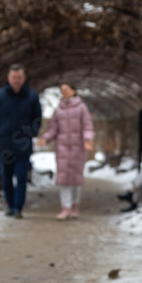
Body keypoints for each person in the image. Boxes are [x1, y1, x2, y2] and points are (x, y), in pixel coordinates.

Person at [0, 64, 42, 218]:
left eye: (19, 77)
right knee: (6, 177)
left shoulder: (32, 96)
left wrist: (32, 132)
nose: (16, 80)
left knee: (21, 177)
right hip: (5, 144)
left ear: (23, 78)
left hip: (23, 145)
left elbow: (37, 117)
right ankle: (10, 205)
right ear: (8, 78)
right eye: (14, 77)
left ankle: (18, 207)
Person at [38, 84, 94, 220]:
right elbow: (53, 129)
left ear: (73, 91)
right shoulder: (58, 110)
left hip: (78, 147)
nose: (64, 92)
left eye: (67, 89)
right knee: (63, 179)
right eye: (62, 90)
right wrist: (45, 138)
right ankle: (65, 208)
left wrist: (88, 139)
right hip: (62, 148)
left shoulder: (81, 107)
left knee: (76, 179)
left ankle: (75, 206)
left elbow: (87, 125)